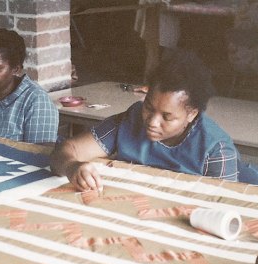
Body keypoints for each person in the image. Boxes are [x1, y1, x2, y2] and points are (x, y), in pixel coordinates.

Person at [50, 49, 240, 192]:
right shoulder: (131, 119)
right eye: (148, 107)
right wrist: (72, 167)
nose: (152, 122)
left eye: (167, 117)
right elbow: (68, 150)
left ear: (192, 114)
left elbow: (226, 204)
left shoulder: (215, 150)